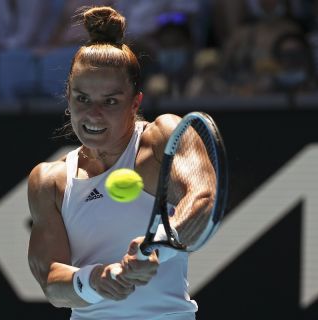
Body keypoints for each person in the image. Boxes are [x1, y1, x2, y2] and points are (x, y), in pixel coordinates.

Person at [27, 6, 216, 320]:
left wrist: (156, 246)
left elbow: (203, 199)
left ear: (135, 103)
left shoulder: (163, 138)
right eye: (82, 98)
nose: (93, 114)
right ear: (68, 97)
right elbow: (50, 282)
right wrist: (96, 280)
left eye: (110, 101)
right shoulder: (49, 180)